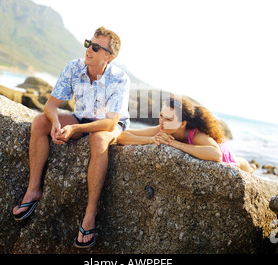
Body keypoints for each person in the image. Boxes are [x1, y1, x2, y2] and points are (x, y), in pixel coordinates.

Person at [13, 26, 130, 248]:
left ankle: (90, 212)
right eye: (89, 44)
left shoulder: (120, 79)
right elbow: (51, 105)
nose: (89, 50)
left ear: (109, 56)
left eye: (96, 47)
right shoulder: (73, 67)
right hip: (81, 117)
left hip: (109, 123)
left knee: (98, 139)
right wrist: (56, 123)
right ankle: (34, 190)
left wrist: (75, 131)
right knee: (40, 122)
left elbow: (110, 122)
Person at [117, 96, 256, 174]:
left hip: (225, 155)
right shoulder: (163, 128)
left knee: (241, 163)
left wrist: (174, 143)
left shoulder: (195, 134)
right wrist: (152, 139)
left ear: (183, 123)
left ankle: (252, 168)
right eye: (161, 116)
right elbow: (123, 136)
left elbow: (216, 155)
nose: (162, 121)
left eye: (168, 119)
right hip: (207, 149)